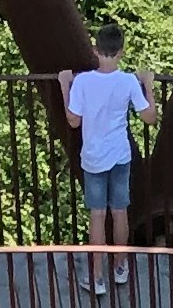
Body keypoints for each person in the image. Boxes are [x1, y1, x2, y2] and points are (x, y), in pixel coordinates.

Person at [61, 24, 153, 288]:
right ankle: (120, 266)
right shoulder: (127, 81)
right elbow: (149, 118)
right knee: (120, 211)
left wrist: (64, 86)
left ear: (95, 50)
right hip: (120, 156)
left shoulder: (83, 82)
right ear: (121, 52)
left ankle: (97, 276)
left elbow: (73, 121)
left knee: (98, 216)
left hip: (93, 157)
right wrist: (148, 85)